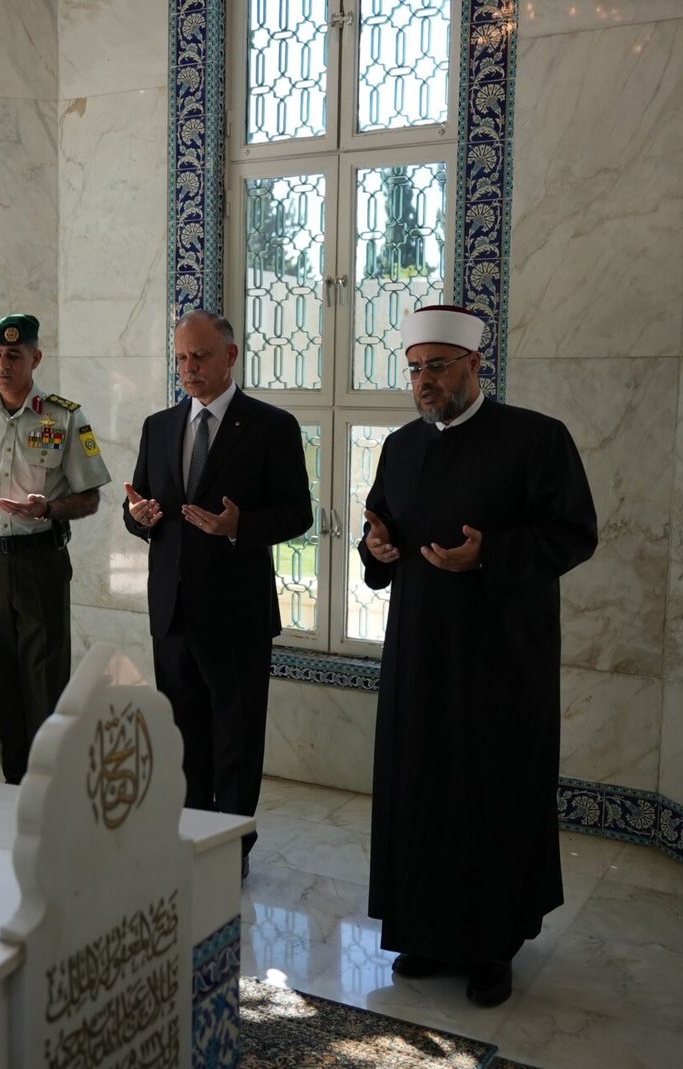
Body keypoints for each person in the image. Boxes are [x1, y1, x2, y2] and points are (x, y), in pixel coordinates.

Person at [358, 303, 597, 1007]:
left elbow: (574, 533)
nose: (423, 381)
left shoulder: (536, 438)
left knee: (491, 794)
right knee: (423, 789)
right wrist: (376, 549)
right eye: (413, 369)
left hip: (501, 658)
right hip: (419, 653)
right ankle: (426, 931)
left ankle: (494, 945)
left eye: (436, 367)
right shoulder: (401, 446)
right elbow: (380, 528)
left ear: (473, 364)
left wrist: (490, 553)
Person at [122, 310, 313, 878]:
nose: (189, 368)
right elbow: (140, 505)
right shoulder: (159, 426)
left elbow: (297, 513)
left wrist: (239, 526)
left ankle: (231, 847)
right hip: (172, 611)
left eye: (200, 356)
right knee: (182, 738)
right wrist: (138, 517)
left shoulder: (272, 426)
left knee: (236, 738)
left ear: (230, 356)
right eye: (181, 358)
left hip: (236, 614)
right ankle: (188, 836)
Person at [0, 313, 111, 784]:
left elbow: (90, 498)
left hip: (40, 561)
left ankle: (51, 785)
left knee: (45, 679)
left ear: (36, 357)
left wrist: (48, 509)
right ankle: (14, 785)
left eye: (14, 355)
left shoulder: (65, 417)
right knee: (2, 678)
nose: (3, 365)